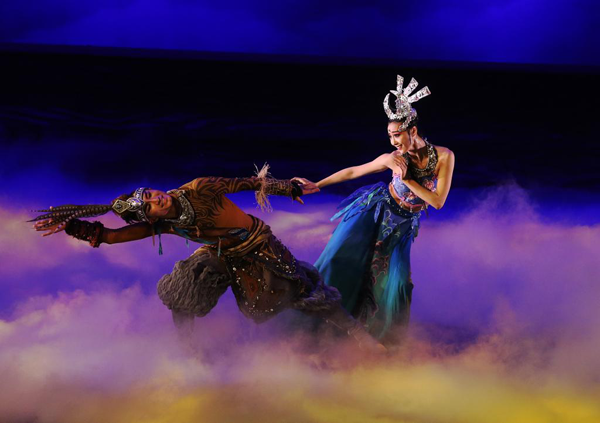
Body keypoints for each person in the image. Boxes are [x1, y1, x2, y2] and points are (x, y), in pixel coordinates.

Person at [31, 167, 384, 352]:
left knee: (303, 289)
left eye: (151, 194)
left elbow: (247, 183)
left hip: (257, 243)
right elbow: (110, 236)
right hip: (218, 252)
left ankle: (359, 336)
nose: (157, 200)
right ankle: (188, 349)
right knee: (185, 286)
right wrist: (74, 227)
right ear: (150, 218)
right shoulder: (163, 223)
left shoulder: (200, 187)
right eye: (150, 206)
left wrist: (288, 188)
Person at [295, 75, 455, 345]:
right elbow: (354, 171)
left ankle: (384, 343)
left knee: (397, 285)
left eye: (397, 135)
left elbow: (438, 202)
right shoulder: (394, 158)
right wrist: (317, 184)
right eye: (389, 135)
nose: (393, 141)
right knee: (339, 262)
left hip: (402, 227)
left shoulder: (444, 156)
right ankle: (315, 328)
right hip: (374, 213)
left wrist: (407, 180)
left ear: (413, 131)